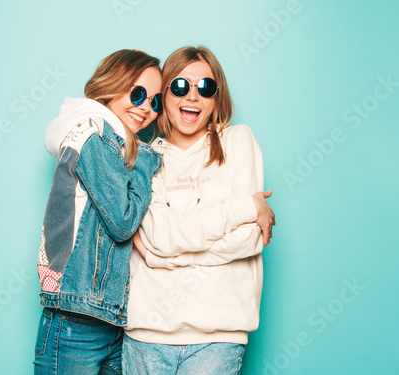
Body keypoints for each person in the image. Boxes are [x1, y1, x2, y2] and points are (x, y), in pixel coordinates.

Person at [123, 46, 275, 375]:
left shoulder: (237, 141)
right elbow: (160, 235)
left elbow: (250, 238)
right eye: (180, 86)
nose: (192, 96)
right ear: (163, 95)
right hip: (146, 336)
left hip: (218, 338)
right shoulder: (145, 158)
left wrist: (162, 256)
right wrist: (245, 206)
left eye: (205, 87)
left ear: (217, 98)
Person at [33, 49, 163, 375]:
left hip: (105, 314)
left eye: (155, 101)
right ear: (112, 85)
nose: (146, 107)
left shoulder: (112, 139)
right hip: (79, 314)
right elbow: (121, 222)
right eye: (138, 93)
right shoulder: (95, 132)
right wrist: (145, 165)